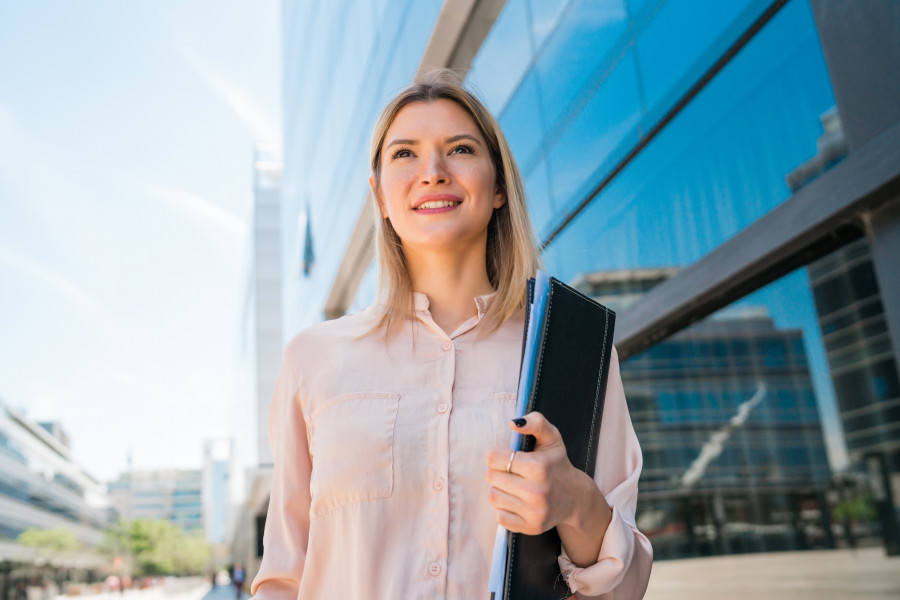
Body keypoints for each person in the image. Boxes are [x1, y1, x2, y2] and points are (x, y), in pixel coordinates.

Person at [251, 69, 653, 599]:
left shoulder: (573, 355)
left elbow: (625, 590)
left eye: (460, 149)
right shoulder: (313, 359)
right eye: (404, 154)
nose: (433, 171)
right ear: (381, 198)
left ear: (499, 189)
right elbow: (284, 577)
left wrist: (575, 503)